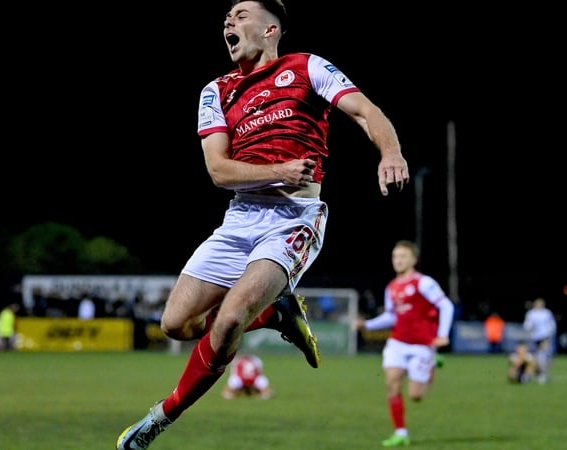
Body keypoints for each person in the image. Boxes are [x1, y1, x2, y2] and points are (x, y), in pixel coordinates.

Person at [115, 1, 409, 449]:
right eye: (226, 18)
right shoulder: (216, 90)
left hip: (294, 218)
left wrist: (390, 152)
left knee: (231, 318)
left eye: (241, 15)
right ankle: (275, 312)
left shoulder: (307, 67)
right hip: (240, 219)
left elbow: (367, 112)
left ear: (271, 29)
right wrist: (280, 170)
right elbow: (218, 170)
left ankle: (158, 418)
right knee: (175, 324)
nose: (228, 22)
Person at [354, 240, 454, 447]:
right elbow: (392, 317)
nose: (398, 260)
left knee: (416, 395)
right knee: (392, 383)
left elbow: (446, 306)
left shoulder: (424, 283)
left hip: (422, 345)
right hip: (398, 342)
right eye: (395, 257)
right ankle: (400, 432)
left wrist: (442, 334)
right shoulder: (392, 287)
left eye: (402, 256)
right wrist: (368, 325)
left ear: (413, 260)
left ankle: (431, 364)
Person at [523, 297, 556, 384]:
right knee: (537, 357)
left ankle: (542, 374)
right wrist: (530, 328)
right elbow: (527, 325)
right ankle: (533, 374)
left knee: (544, 356)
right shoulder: (531, 313)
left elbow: (552, 324)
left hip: (544, 336)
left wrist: (550, 333)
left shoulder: (547, 313)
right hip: (535, 338)